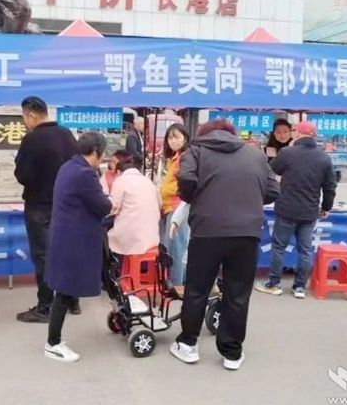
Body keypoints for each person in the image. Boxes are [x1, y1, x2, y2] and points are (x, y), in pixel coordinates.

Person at [169, 119, 279, 370]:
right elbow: (273, 190)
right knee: (237, 292)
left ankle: (188, 344)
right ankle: (232, 353)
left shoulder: (195, 151)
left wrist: (196, 197)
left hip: (206, 230)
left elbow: (185, 181)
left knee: (197, 289)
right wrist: (248, 201)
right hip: (246, 232)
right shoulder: (255, 155)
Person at [44, 132, 113, 362]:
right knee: (64, 293)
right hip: (73, 240)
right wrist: (110, 204)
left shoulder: (68, 167)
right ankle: (53, 343)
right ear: (95, 152)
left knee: (63, 290)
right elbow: (102, 206)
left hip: (64, 236)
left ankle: (54, 341)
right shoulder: (85, 174)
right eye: (102, 154)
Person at [14, 96, 79, 322]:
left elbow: (22, 174)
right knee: (66, 253)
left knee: (43, 256)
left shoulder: (31, 140)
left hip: (39, 206)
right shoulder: (67, 135)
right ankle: (72, 300)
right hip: (66, 206)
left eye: (24, 117)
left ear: (31, 115)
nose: (24, 122)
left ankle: (45, 306)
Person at [255, 121, 337, 299]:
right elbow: (330, 186)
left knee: (279, 247)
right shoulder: (324, 158)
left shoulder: (287, 153)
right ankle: (299, 287)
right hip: (310, 210)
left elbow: (270, 170)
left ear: (297, 134)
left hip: (286, 208)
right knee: (305, 250)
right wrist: (326, 207)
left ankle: (274, 283)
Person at [108, 156, 160, 257]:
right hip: (152, 238)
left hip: (132, 240)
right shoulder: (148, 182)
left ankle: (117, 265)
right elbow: (159, 205)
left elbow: (113, 209)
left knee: (105, 234)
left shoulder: (120, 181)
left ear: (118, 172)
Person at [160, 123, 190, 285]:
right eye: (170, 138)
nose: (173, 141)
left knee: (176, 250)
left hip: (177, 208)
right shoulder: (174, 158)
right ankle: (178, 283)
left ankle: (175, 285)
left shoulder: (185, 158)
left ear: (185, 138)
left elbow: (183, 183)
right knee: (173, 248)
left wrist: (164, 189)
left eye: (177, 137)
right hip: (170, 207)